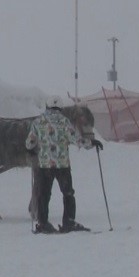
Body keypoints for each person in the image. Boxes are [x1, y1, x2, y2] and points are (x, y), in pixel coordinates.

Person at [25, 96, 103, 233]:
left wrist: (31, 150)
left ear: (47, 106)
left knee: (44, 194)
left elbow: (29, 142)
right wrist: (92, 143)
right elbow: (77, 140)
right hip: (62, 165)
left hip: (45, 165)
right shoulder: (64, 122)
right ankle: (68, 222)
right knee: (68, 193)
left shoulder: (38, 122)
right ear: (60, 108)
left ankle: (43, 223)